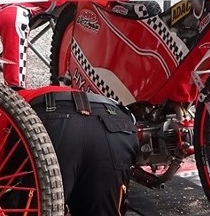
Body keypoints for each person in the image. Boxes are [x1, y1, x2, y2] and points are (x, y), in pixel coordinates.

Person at [19, 86, 139, 215]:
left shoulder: (3, 101)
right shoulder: (22, 95)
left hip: (50, 122)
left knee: (34, 207)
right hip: (114, 122)